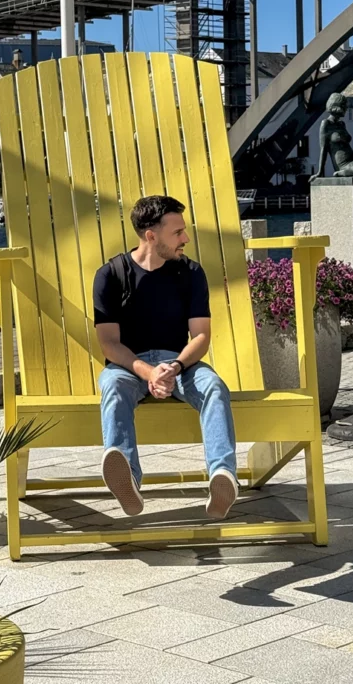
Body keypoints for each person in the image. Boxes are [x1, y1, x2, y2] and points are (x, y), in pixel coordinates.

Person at [93, 195, 238, 522]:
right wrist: (149, 373)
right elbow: (109, 344)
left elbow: (200, 335)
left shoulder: (190, 273)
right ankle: (127, 479)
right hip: (128, 366)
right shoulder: (111, 275)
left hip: (180, 364)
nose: (185, 239)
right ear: (151, 236)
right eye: (178, 233)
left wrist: (173, 367)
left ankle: (223, 477)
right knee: (113, 387)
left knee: (213, 386)